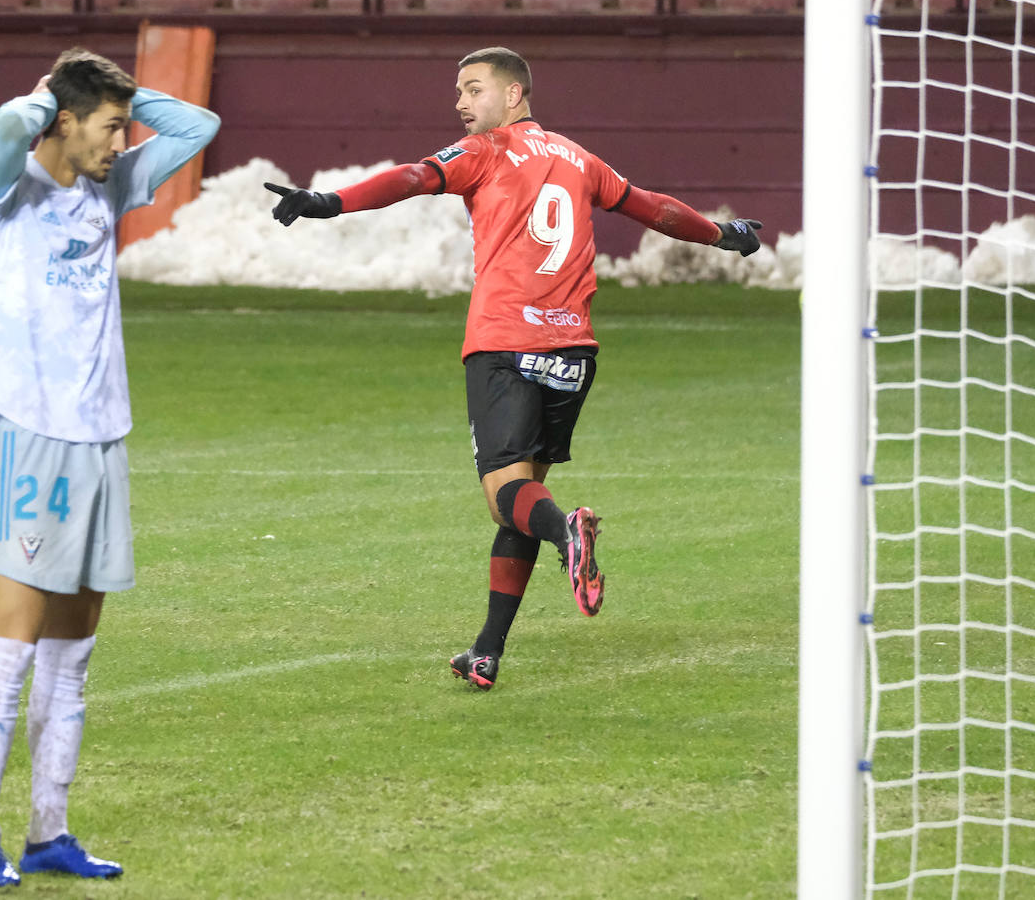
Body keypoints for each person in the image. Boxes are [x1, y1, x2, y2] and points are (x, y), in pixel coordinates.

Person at [265, 46, 761, 691]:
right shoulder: (579, 158)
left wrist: (330, 201)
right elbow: (650, 208)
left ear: (513, 96)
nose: (460, 103)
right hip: (573, 351)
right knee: (521, 499)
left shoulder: (486, 152)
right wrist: (723, 234)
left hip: (504, 343)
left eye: (473, 89)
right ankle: (487, 651)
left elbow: (414, 178)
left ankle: (569, 533)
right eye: (460, 91)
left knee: (509, 496)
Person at [0, 48, 219, 887]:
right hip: (32, 435)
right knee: (13, 643)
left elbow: (201, 126)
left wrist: (121, 97)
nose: (124, 140)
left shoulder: (105, 183)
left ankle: (49, 832)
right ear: (62, 123)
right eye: (109, 127)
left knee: (74, 652)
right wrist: (47, 100)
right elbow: (3, 130)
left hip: (105, 437)